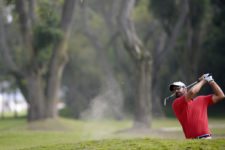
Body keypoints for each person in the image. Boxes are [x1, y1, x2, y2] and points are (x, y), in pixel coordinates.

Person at [169, 74, 225, 139]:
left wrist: (211, 81)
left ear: (185, 89)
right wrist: (204, 80)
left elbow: (221, 96)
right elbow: (192, 92)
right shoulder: (176, 103)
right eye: (174, 90)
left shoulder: (201, 99)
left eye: (178, 88)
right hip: (191, 141)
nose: (176, 91)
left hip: (206, 138)